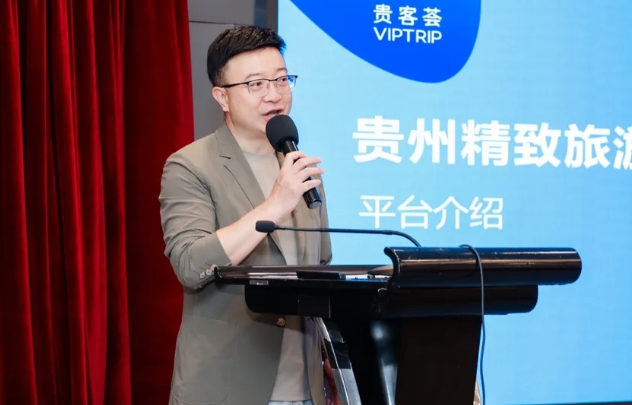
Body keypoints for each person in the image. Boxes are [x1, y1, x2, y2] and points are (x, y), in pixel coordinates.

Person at [159, 25, 338, 405]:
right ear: (222, 97)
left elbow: (320, 263)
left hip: (304, 388)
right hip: (227, 388)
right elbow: (190, 264)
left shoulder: (300, 168)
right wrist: (274, 205)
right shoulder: (190, 165)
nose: (274, 94)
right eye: (256, 84)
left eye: (282, 80)